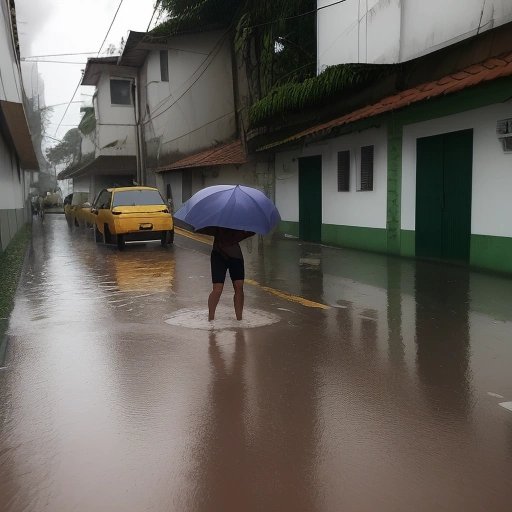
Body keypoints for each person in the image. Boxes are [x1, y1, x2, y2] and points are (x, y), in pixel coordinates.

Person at [208, 227, 253, 322]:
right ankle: (210, 318)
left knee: (239, 287)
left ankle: (239, 319)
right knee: (217, 289)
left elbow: (249, 232)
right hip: (218, 255)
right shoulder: (217, 221)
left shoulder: (239, 222)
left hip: (235, 256)